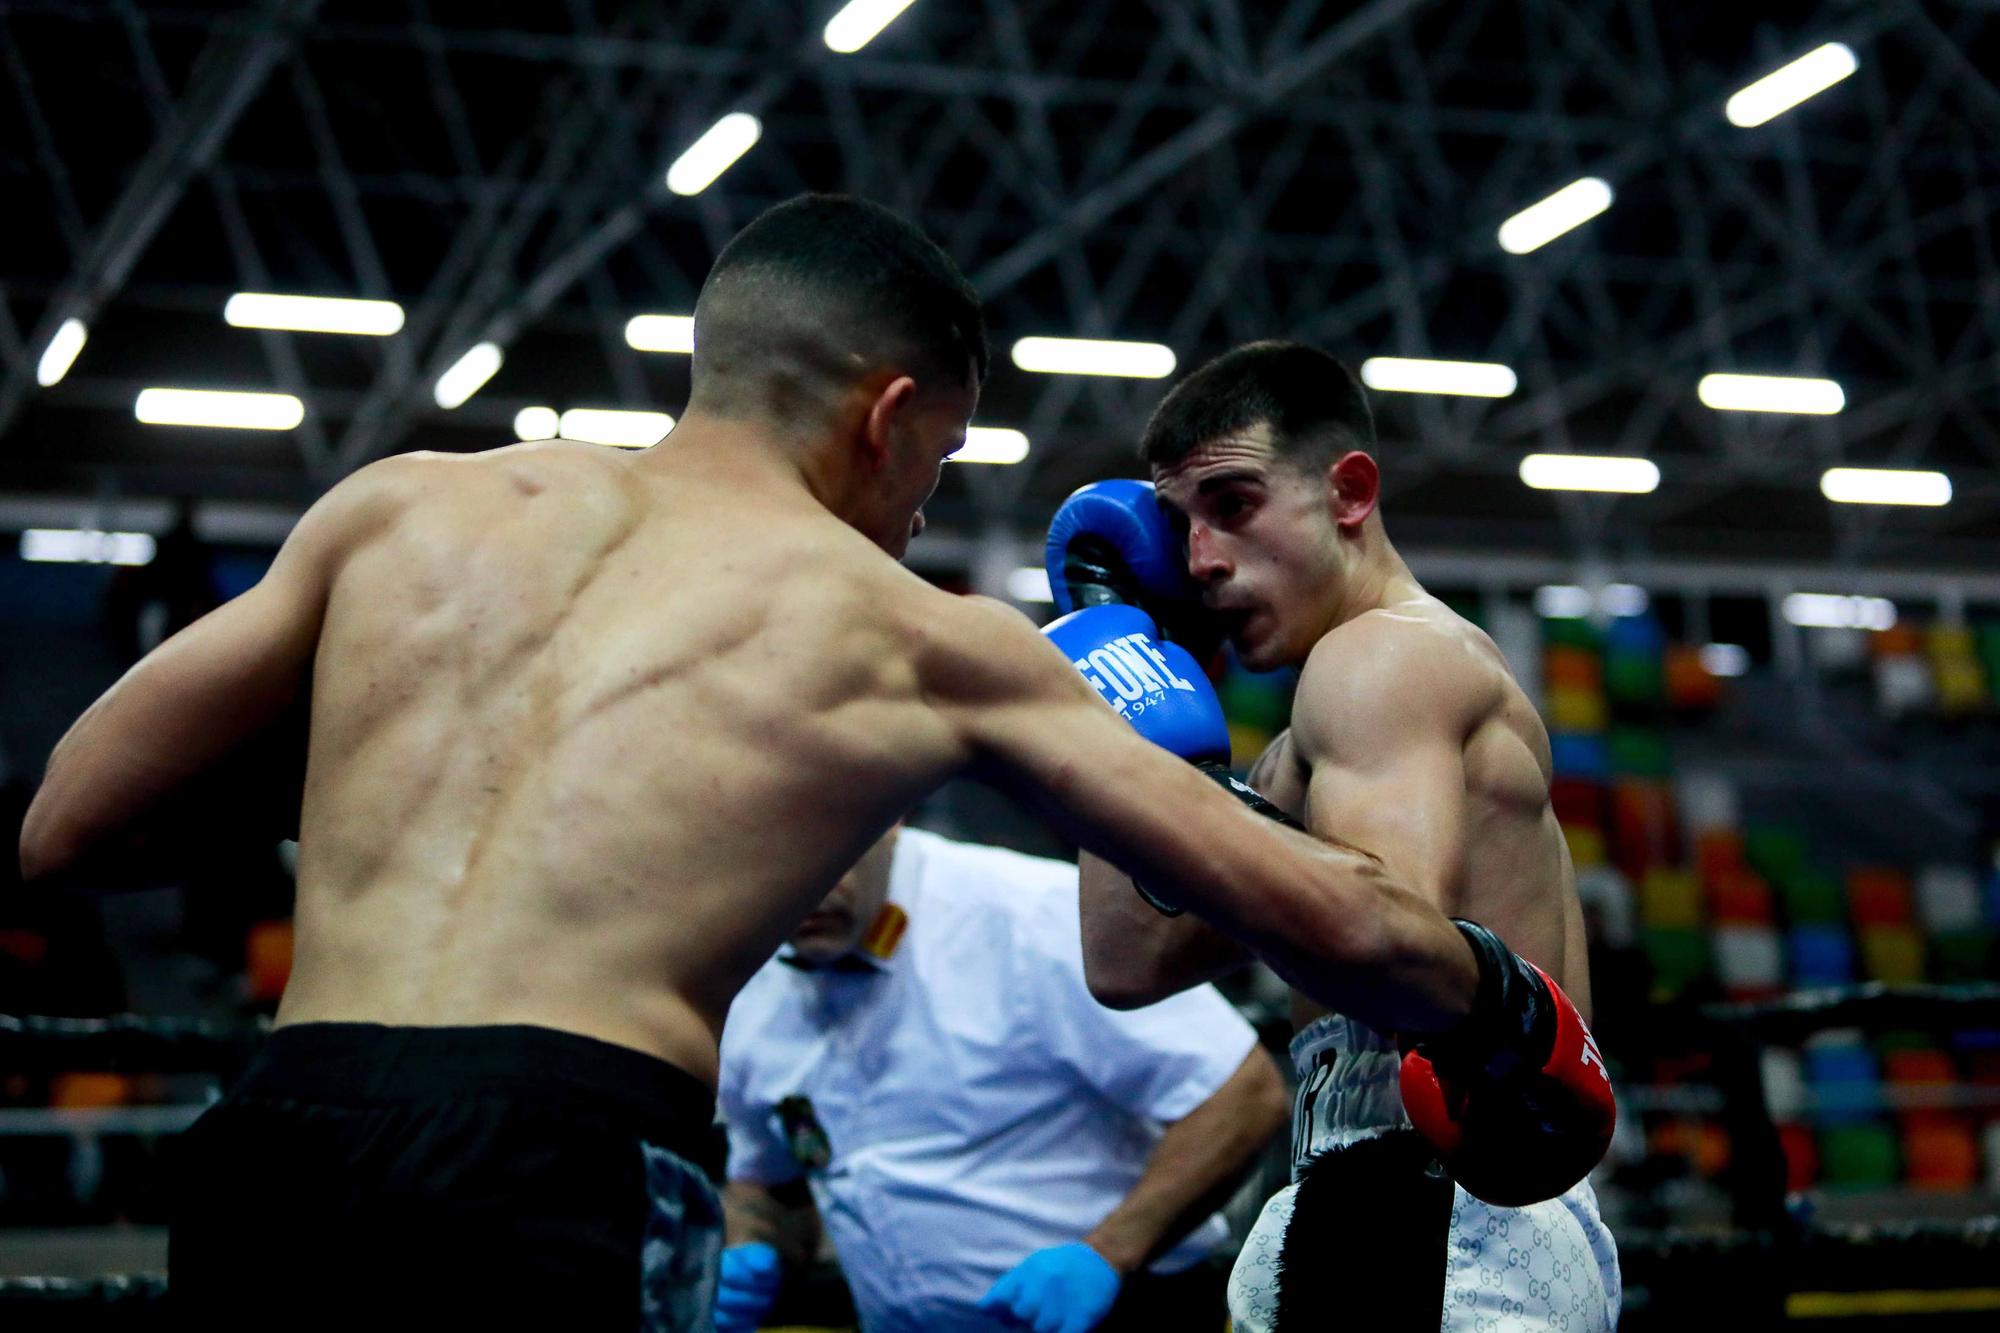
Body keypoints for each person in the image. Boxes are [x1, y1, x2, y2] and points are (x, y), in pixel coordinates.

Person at [20, 193, 1548, 1328]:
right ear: (888, 419)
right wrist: (1508, 1004)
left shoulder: (402, 505)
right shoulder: (905, 630)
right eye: (938, 466)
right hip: (555, 1161)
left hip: (271, 1141)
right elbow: (1336, 925)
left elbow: (71, 821)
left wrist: (402, 781)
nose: (924, 516)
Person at [1043, 341, 1622, 1331]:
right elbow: (1125, 958)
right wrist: (1124, 682)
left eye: (1232, 504)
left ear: (1346, 492)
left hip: (1433, 1204)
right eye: (1178, 524)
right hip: (1370, 1182)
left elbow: (1377, 947)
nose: (1198, 559)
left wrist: (1191, 793)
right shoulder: (1300, 749)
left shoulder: (1381, 660)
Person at [714, 823, 1287, 1333]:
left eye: (826, 856)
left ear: (889, 818)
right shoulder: (746, 970)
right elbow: (770, 1178)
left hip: (1125, 1313)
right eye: (779, 866)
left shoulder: (1028, 912)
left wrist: (1110, 1252)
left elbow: (1242, 1094)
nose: (806, 893)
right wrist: (753, 1247)